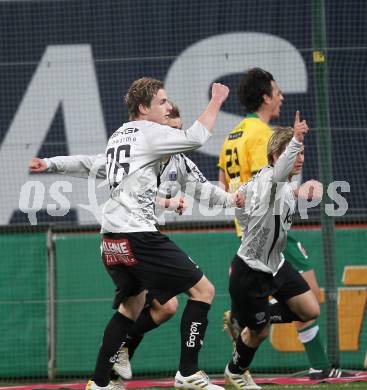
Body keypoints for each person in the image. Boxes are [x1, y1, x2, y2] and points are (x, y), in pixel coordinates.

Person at [34, 77, 230, 390]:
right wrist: (217, 99)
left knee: (134, 307)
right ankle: (188, 373)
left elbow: (90, 164)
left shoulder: (120, 138)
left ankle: (100, 383)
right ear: (143, 108)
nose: (168, 110)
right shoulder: (152, 133)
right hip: (138, 236)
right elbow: (196, 137)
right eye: (162, 102)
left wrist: (50, 162)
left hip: (111, 239)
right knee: (203, 291)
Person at [218, 67, 343, 380]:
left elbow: (224, 185)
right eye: (277, 91)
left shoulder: (233, 135)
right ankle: (318, 365)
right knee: (310, 296)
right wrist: (304, 192)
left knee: (307, 304)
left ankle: (317, 366)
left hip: (250, 233)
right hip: (270, 233)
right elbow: (270, 184)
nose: (282, 97)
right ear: (265, 98)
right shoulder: (262, 135)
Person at [224, 124, 321, 390]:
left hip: (276, 264)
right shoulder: (271, 178)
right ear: (277, 155)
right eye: (295, 152)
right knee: (259, 332)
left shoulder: (278, 183)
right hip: (251, 269)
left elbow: (258, 203)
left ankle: (242, 317)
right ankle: (236, 370)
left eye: (302, 152)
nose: (300, 158)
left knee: (310, 309)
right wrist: (296, 137)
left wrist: (304, 191)